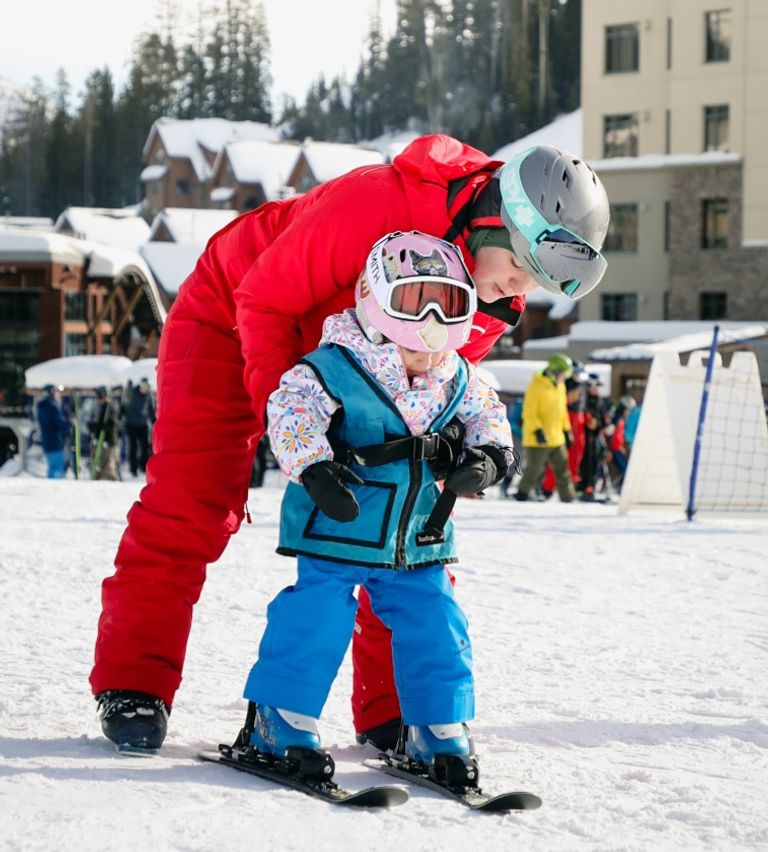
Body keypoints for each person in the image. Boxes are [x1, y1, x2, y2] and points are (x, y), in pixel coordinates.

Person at [90, 135, 610, 752]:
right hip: (232, 320)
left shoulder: (489, 302)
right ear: (494, 223)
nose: (517, 291)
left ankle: (394, 709)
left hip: (337, 362)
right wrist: (295, 433)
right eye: (520, 270)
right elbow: (263, 299)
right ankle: (134, 682)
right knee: (194, 499)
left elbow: (434, 389)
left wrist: (454, 447)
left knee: (398, 518)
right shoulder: (379, 202)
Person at [228, 232, 513, 776]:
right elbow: (290, 411)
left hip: (416, 536)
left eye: (442, 324)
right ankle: (280, 718)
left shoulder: (457, 375)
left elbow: (489, 417)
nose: (426, 354)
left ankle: (437, 725)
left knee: (437, 620)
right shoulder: (333, 367)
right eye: (412, 330)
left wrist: (490, 458)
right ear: (374, 304)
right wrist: (313, 466)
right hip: (341, 522)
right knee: (317, 613)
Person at [513, 354, 577, 503]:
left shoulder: (560, 386)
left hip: (556, 437)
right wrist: (537, 430)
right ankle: (522, 495)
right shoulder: (536, 386)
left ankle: (568, 498)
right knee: (534, 470)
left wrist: (567, 431)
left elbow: (562, 411)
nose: (564, 378)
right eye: (562, 374)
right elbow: (529, 412)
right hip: (538, 437)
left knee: (563, 469)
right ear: (554, 372)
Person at [123, 378, 155, 477]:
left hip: (143, 424)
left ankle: (143, 467)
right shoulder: (131, 392)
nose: (145, 390)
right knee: (133, 447)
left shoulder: (149, 395)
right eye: (144, 388)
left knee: (145, 447)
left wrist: (154, 420)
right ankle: (133, 469)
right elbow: (124, 406)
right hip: (131, 424)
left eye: (147, 388)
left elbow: (151, 409)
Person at [36, 384, 69, 479]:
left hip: (47, 441)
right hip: (55, 442)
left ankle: (50, 488)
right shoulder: (52, 408)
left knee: (52, 468)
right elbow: (59, 423)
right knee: (58, 467)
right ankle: (57, 490)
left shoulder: (41, 408)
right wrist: (69, 424)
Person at [89, 387, 120, 481]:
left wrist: (99, 426)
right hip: (98, 439)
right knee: (96, 462)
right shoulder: (98, 407)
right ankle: (96, 478)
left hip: (108, 440)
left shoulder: (111, 407)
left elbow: (112, 424)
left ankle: (109, 481)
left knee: (108, 464)